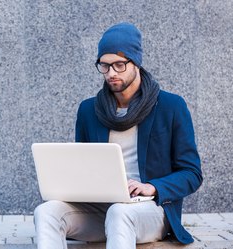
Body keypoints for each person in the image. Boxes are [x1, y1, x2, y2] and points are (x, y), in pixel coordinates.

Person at [33, 22, 203, 249]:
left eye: (119, 65)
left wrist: (152, 187)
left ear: (137, 63)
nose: (111, 73)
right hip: (100, 209)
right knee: (46, 212)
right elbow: (82, 166)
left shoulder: (171, 106)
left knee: (119, 212)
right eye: (104, 66)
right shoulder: (89, 110)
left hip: (150, 209)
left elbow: (191, 173)